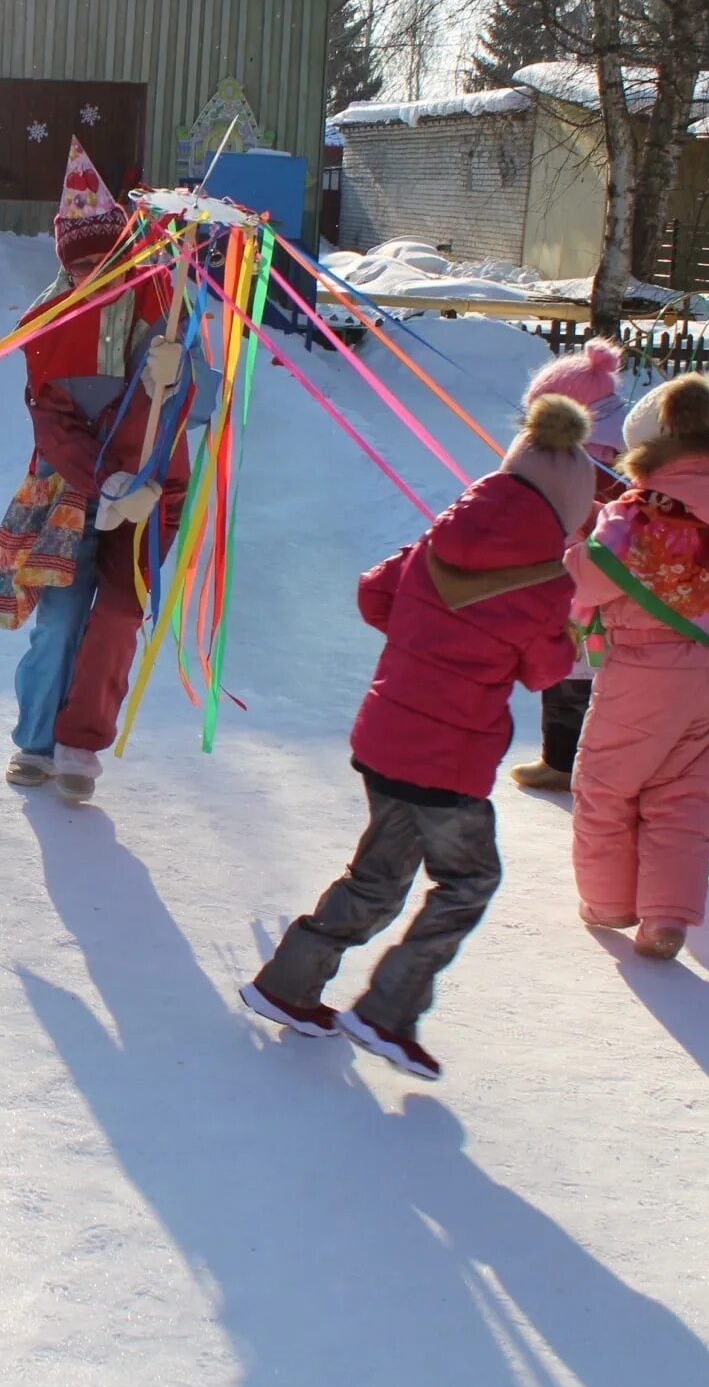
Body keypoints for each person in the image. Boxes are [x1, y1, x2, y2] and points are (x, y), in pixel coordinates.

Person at [241, 395, 595, 1081]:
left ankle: (287, 983)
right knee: (468, 881)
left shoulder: (442, 535)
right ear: (566, 507)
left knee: (377, 876)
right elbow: (545, 670)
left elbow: (375, 593)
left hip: (387, 737)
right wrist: (568, 633)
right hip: (451, 761)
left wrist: (421, 638)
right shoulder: (549, 581)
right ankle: (388, 1011)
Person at [0, 139, 190, 804]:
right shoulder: (45, 323)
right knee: (61, 619)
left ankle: (81, 745)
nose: (91, 278)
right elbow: (52, 420)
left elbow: (185, 406)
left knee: (120, 617)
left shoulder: (166, 308)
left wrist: (176, 375)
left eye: (105, 263)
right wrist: (103, 482)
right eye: (79, 268)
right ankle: (36, 741)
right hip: (70, 493)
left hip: (153, 489)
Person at [564, 369, 709, 960]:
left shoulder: (633, 511)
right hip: (707, 672)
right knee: (685, 795)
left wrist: (570, 559)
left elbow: (592, 580)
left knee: (604, 786)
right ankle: (667, 916)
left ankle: (609, 902)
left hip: (640, 672)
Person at [506, 338, 627, 793]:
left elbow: (564, 518)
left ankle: (562, 761)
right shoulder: (621, 451)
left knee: (566, 676)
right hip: (611, 591)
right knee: (599, 681)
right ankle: (598, 762)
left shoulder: (583, 462)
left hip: (577, 588)